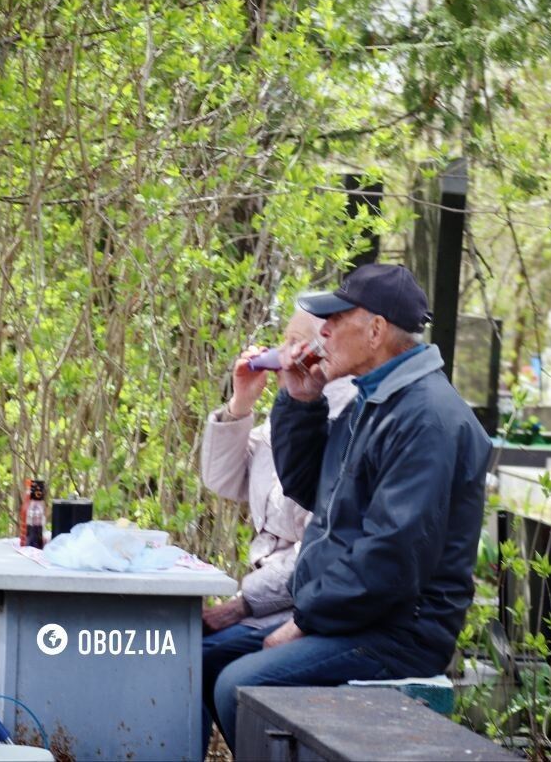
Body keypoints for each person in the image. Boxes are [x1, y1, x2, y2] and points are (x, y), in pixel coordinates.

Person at [204, 263, 490, 748]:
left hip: (400, 632)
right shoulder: (373, 402)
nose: (325, 332)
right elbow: (312, 489)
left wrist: (305, 621)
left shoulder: (426, 419)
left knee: (238, 686)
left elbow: (392, 559)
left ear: (376, 330)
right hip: (353, 615)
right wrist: (301, 401)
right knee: (201, 657)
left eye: (336, 319)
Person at [199, 311, 355, 752]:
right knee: (187, 652)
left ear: (318, 349)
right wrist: (240, 403)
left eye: (292, 341)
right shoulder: (292, 405)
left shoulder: (338, 417)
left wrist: (242, 604)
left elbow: (319, 552)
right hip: (269, 594)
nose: (280, 349)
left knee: (199, 658)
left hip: (297, 601)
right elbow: (222, 480)